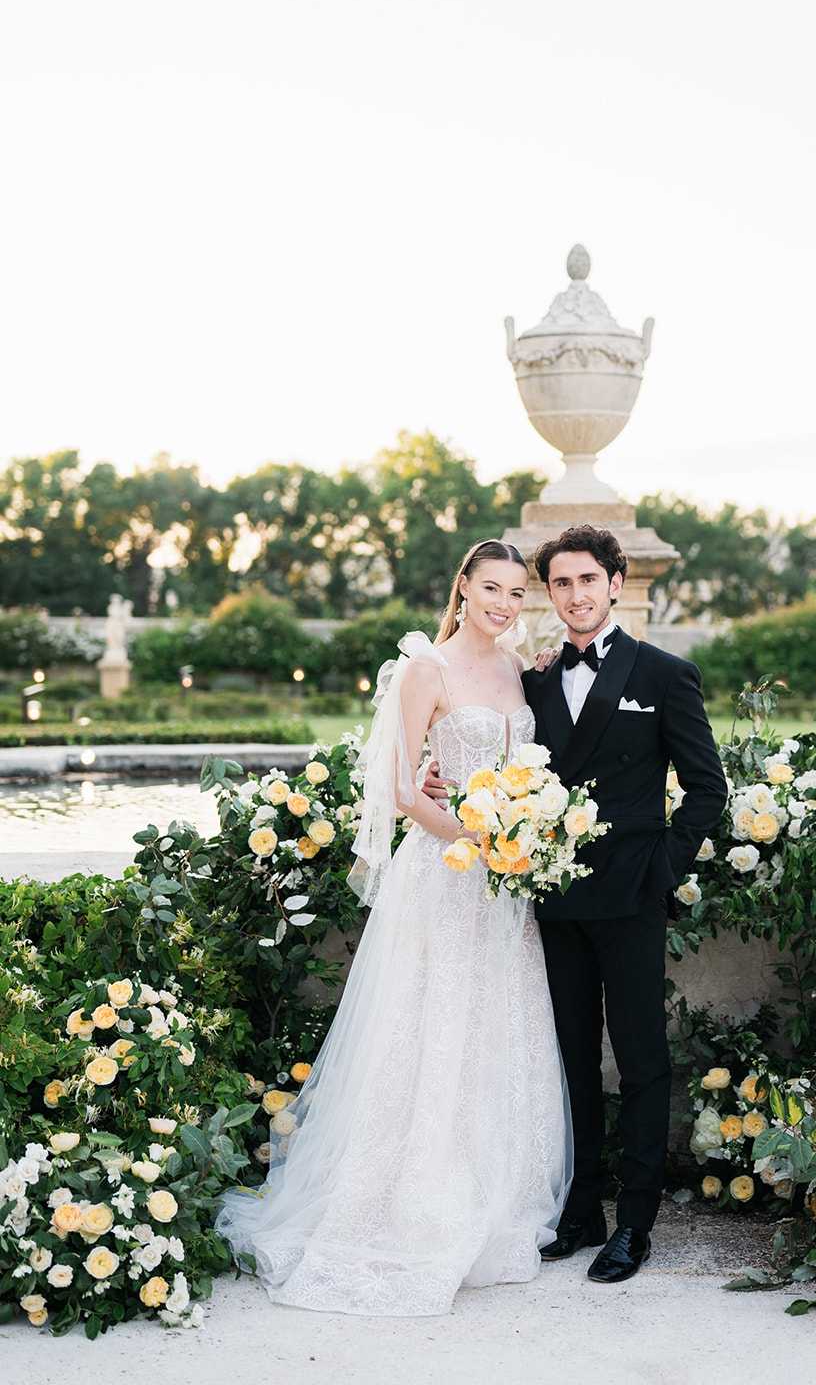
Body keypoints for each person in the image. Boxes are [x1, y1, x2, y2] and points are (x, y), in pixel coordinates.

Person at [214, 539, 572, 1316]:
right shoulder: (424, 670)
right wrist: (483, 841)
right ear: (463, 589)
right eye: (491, 589)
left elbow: (521, 768)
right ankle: (405, 1201)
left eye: (516, 593)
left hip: (504, 884)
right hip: (445, 873)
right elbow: (407, 792)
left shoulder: (517, 669)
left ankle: (491, 1192)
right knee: (427, 1027)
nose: (505, 604)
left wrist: (522, 839)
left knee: (489, 1030)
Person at [424, 524, 728, 1283]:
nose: (575, 595)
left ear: (614, 582)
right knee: (568, 1059)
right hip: (548, 900)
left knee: (640, 1060)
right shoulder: (533, 680)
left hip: (630, 900)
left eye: (587, 580)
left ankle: (634, 1224)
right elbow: (497, 767)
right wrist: (445, 787)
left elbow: (706, 789)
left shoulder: (663, 674)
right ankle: (580, 1211)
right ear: (550, 593)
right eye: (559, 584)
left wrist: (660, 870)